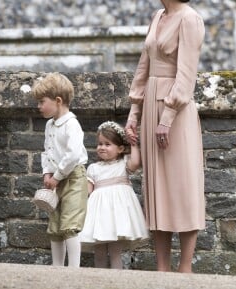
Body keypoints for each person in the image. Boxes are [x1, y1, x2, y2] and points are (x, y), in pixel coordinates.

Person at [125, 0, 205, 273]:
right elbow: (142, 68)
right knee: (156, 187)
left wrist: (167, 118)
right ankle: (162, 269)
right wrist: (134, 112)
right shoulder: (157, 16)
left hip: (176, 112)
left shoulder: (190, 19)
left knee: (183, 187)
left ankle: (185, 268)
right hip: (150, 106)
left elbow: (186, 74)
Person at [31, 72, 88, 267]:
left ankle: (73, 269)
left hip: (73, 178)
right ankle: (57, 269)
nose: (38, 106)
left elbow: (72, 155)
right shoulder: (50, 124)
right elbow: (47, 151)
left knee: (70, 224)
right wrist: (47, 172)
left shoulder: (72, 124)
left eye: (41, 101)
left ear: (58, 100)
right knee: (55, 226)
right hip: (57, 178)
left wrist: (57, 175)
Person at [80, 121, 149, 269]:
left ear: (120, 148)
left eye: (107, 144)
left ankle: (116, 281)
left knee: (115, 251)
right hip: (99, 214)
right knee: (99, 251)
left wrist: (134, 143)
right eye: (100, 144)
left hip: (118, 214)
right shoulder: (93, 168)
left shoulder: (123, 164)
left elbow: (136, 162)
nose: (102, 147)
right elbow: (88, 191)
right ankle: (99, 281)